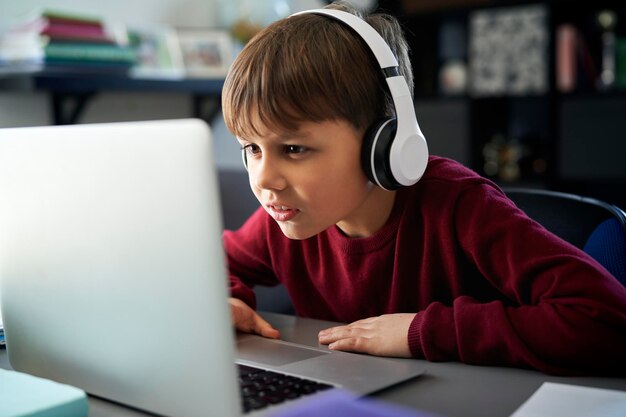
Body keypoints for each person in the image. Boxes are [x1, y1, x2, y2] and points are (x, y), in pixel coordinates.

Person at [221, 1, 626, 375]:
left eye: (293, 148)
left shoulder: (461, 207)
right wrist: (229, 301)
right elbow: (212, 263)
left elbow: (604, 318)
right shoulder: (286, 213)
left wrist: (422, 332)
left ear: (385, 141)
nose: (263, 179)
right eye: (251, 148)